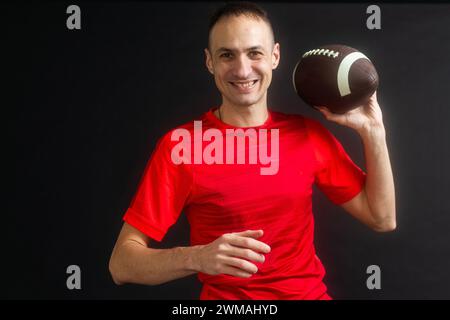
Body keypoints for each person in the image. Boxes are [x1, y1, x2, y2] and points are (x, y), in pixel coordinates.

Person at [108, 2, 396, 300]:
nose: (242, 69)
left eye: (254, 53)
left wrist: (374, 132)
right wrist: (196, 257)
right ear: (210, 62)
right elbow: (122, 265)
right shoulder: (181, 146)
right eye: (227, 55)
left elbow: (382, 218)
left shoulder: (307, 136)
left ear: (275, 56)